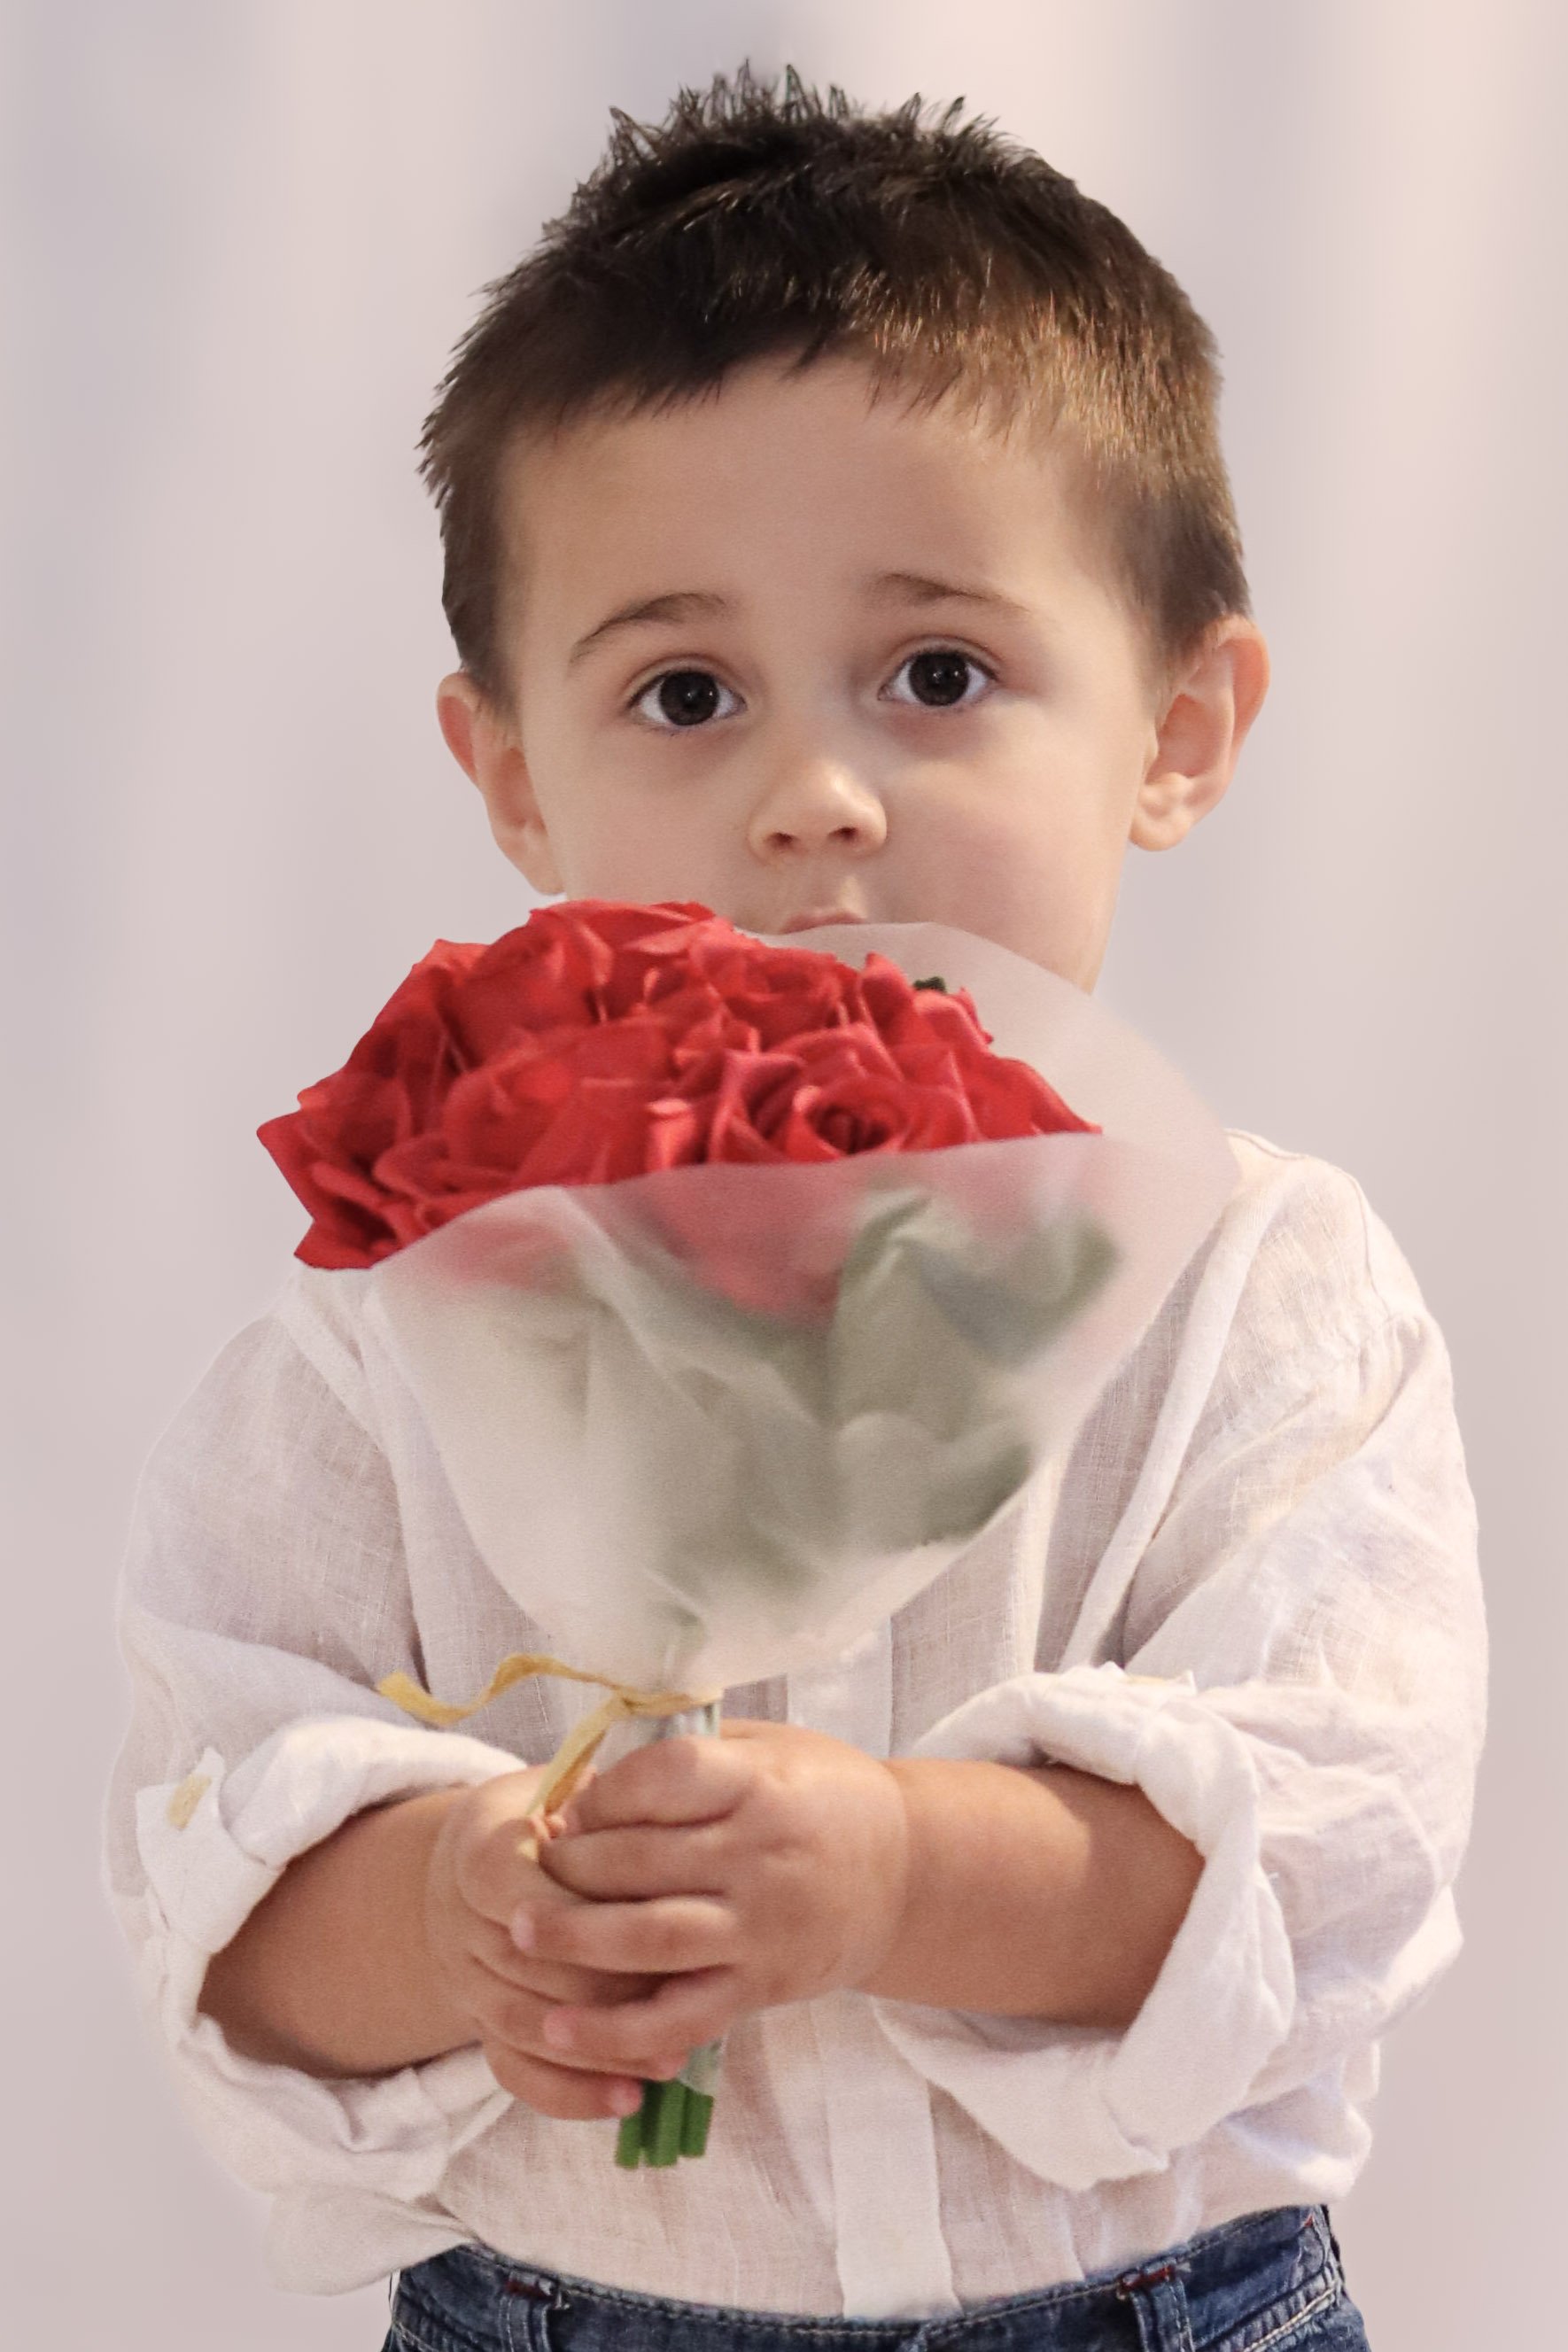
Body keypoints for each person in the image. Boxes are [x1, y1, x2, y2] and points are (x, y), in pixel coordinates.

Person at [106, 66, 1483, 2352]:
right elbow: (209, 1847)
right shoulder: (408, 1312)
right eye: (686, 692)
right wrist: (450, 1910)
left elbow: (1330, 1845)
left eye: (938, 675)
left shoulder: (1258, 1294)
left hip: (1152, 2304)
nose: (815, 796)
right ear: (513, 776)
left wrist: (898, 1874)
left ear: (1178, 725)